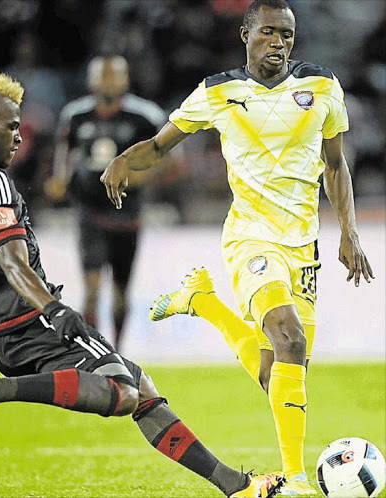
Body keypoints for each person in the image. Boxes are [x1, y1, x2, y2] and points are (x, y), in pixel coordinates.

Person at [0, 66, 284, 498]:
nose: (19, 137)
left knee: (141, 389)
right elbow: (13, 264)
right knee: (124, 393)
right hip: (33, 322)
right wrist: (53, 309)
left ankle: (236, 486)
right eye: (11, 127)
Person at [100, 0, 374, 495]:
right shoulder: (217, 91)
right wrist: (122, 161)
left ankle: (201, 302)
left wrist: (348, 232)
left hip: (303, 244)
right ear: (245, 35)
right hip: (250, 236)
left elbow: (336, 165)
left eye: (287, 35)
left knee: (280, 375)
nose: (279, 43)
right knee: (290, 340)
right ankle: (293, 480)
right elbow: (161, 144)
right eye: (268, 33)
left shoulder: (322, 87)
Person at [45, 54, 176, 351]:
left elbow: (171, 157)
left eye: (113, 75)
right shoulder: (75, 115)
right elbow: (63, 152)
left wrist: (138, 178)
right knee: (91, 290)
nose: (107, 81)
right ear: (91, 80)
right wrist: (59, 179)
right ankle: (95, 354)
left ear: (125, 79)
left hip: (127, 215)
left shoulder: (145, 116)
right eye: (101, 76)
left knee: (120, 293)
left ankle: (118, 350)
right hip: (89, 214)